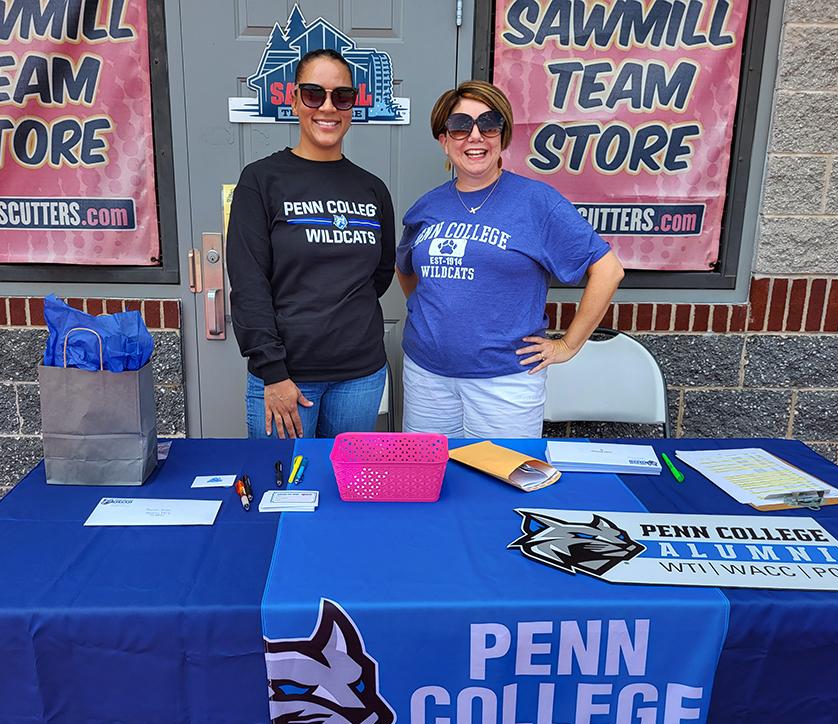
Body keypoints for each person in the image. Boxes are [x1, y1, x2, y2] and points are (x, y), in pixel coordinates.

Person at [395, 80, 624, 438]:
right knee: (432, 482)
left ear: (503, 135)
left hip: (505, 383)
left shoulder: (537, 202)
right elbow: (407, 269)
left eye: (488, 124)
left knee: (500, 482)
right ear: (443, 140)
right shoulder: (427, 207)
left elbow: (608, 270)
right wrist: (440, 317)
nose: (475, 136)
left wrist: (569, 344)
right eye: (460, 126)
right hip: (428, 377)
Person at [227, 49, 395, 439]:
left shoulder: (371, 188)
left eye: (342, 96)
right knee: (285, 489)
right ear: (294, 100)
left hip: (360, 374)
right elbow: (249, 283)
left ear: (353, 104)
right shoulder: (261, 180)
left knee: (344, 490)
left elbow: (380, 272)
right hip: (286, 376)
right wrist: (273, 371)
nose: (328, 107)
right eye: (314, 94)